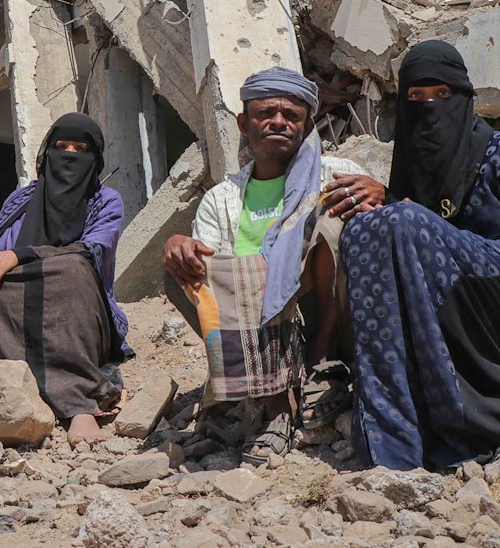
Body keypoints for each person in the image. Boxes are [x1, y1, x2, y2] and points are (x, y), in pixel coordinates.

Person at [341, 40, 500, 471]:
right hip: (440, 323)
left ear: (463, 96)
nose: (429, 108)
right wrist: (395, 207)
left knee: (405, 222)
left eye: (442, 95)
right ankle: (392, 437)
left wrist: (448, 242)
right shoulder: (411, 165)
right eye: (416, 98)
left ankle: (462, 415)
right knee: (364, 227)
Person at [163, 66, 386, 466]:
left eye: (292, 115)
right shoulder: (220, 199)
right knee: (182, 264)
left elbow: (383, 239)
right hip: (256, 327)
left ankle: (320, 368)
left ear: (306, 124)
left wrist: (384, 193)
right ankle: (274, 399)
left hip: (328, 316)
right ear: (243, 123)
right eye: (266, 113)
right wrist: (181, 246)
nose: (279, 122)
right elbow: (212, 275)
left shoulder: (340, 173)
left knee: (332, 223)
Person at [0, 113, 129, 446]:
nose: (68, 156)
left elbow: (93, 251)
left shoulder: (106, 201)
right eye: (60, 146)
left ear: (94, 159)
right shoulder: (21, 200)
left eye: (79, 149)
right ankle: (16, 373)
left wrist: (20, 256)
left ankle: (79, 403)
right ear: (46, 152)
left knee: (74, 267)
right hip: (16, 322)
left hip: (77, 316)